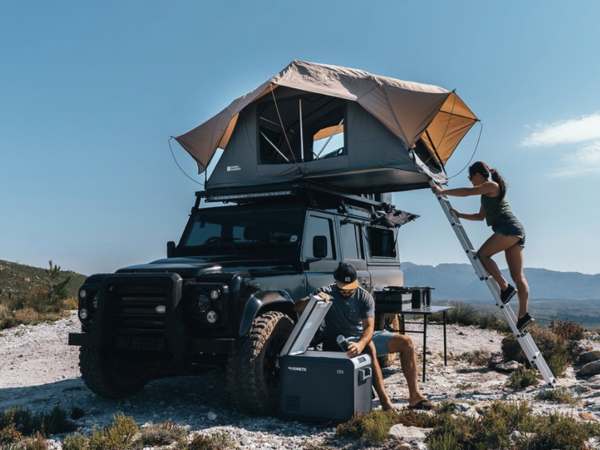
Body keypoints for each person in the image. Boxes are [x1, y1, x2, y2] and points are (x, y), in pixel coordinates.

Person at [293, 262, 435, 411]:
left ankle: (415, 397)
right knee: (369, 346)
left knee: (406, 342)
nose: (347, 291)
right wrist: (314, 299)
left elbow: (368, 328)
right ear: (336, 283)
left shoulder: (364, 297)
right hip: (341, 341)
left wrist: (360, 344)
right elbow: (296, 307)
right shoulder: (326, 292)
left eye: (350, 287)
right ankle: (386, 403)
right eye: (343, 288)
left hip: (362, 337)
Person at [431, 161, 533, 331]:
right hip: (515, 229)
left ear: (477, 175)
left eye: (470, 177)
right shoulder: (486, 193)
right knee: (517, 275)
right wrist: (458, 214)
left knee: (483, 255)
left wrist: (442, 191)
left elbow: (466, 192)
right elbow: (480, 217)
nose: (471, 181)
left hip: (509, 227)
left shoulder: (491, 185)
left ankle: (505, 288)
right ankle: (523, 315)